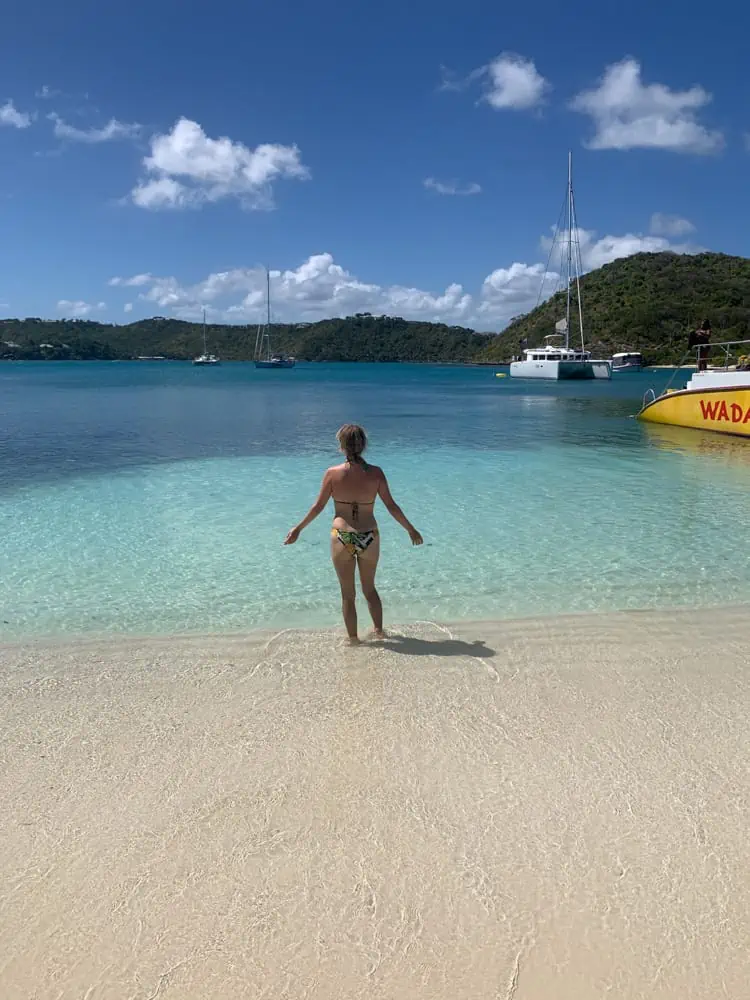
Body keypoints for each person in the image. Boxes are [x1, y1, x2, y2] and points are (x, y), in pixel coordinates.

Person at [284, 424, 423, 644]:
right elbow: (391, 506)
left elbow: (317, 507)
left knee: (348, 595)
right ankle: (379, 633)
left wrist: (298, 528)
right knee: (370, 589)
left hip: (342, 536)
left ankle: (354, 641)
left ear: (341, 446)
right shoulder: (376, 473)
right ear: (364, 445)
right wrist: (411, 529)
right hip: (369, 536)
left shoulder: (332, 474)